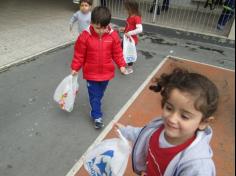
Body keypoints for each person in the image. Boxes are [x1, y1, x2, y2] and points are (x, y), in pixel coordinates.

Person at [115, 68, 219, 175]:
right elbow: (142, 134)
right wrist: (124, 130)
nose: (172, 119)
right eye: (169, 108)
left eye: (184, 116)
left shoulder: (197, 166)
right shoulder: (157, 129)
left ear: (203, 122)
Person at [71, 6, 127, 129]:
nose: (101, 31)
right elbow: (79, 54)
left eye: (104, 28)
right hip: (91, 74)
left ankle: (96, 105)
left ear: (108, 25)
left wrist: (122, 65)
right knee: (95, 96)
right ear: (92, 23)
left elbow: (117, 52)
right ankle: (97, 116)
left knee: (100, 93)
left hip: (106, 73)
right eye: (97, 28)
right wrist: (75, 68)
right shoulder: (85, 36)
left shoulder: (113, 36)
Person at [119, 0, 143, 75]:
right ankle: (123, 63)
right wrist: (124, 29)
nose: (125, 9)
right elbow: (130, 26)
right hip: (126, 39)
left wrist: (129, 33)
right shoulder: (130, 16)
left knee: (129, 53)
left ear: (131, 8)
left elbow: (140, 29)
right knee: (122, 49)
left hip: (131, 40)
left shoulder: (136, 17)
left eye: (126, 8)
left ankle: (130, 68)